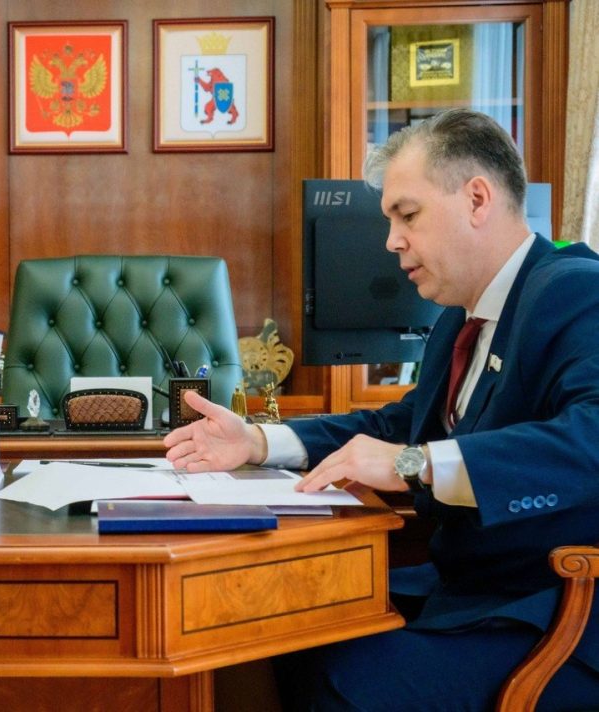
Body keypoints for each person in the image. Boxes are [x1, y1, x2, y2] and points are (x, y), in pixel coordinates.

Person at [164, 109, 599, 711]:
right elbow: (399, 425)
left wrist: (413, 463)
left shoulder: (576, 289)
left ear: (477, 199)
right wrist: (261, 443)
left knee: (338, 671)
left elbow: (589, 440)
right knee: (267, 624)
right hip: (466, 593)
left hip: (550, 616)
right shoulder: (457, 320)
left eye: (407, 215)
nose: (391, 241)